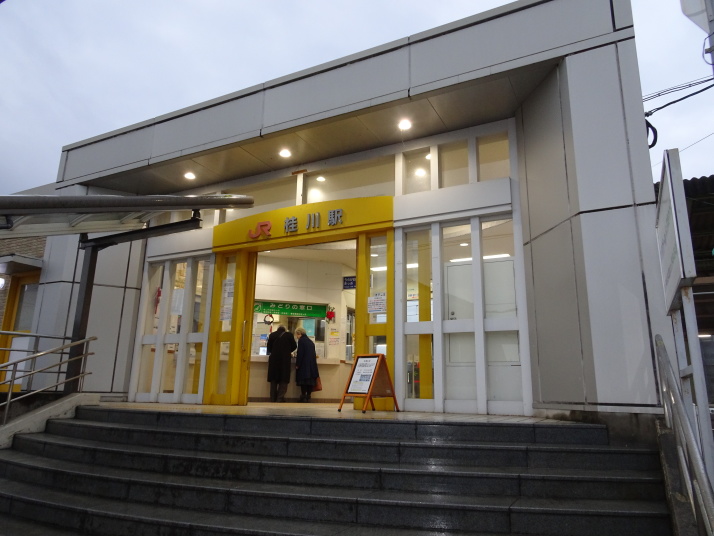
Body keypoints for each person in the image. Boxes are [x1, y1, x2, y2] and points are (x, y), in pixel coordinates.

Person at [266, 325, 296, 402]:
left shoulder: (272, 335)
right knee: (284, 379)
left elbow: (268, 348)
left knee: (273, 380)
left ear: (277, 329)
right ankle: (280, 398)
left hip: (274, 360)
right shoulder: (289, 335)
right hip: (285, 360)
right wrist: (287, 350)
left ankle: (272, 398)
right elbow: (294, 346)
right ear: (285, 329)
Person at [295, 327, 319, 402]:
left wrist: (297, 364)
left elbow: (300, 354)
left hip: (304, 365)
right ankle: (308, 396)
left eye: (296, 335)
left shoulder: (301, 341)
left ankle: (303, 397)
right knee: (310, 382)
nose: (296, 336)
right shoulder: (310, 341)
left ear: (299, 333)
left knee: (303, 382)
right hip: (312, 365)